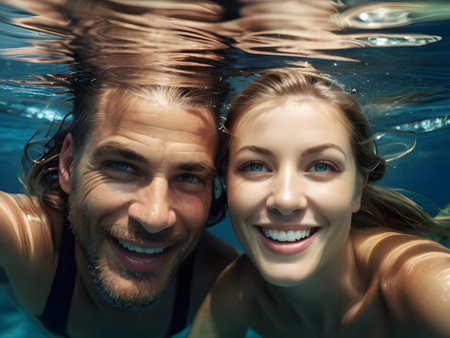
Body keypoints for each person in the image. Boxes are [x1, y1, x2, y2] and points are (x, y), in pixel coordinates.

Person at [188, 68, 450, 338]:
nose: (286, 200)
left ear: (358, 189)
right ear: (225, 182)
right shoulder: (240, 292)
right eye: (256, 166)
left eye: (322, 166)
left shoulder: (429, 285)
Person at [0, 79, 239, 337]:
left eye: (189, 177)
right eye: (122, 167)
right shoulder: (25, 237)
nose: (155, 218)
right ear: (69, 164)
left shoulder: (224, 279)